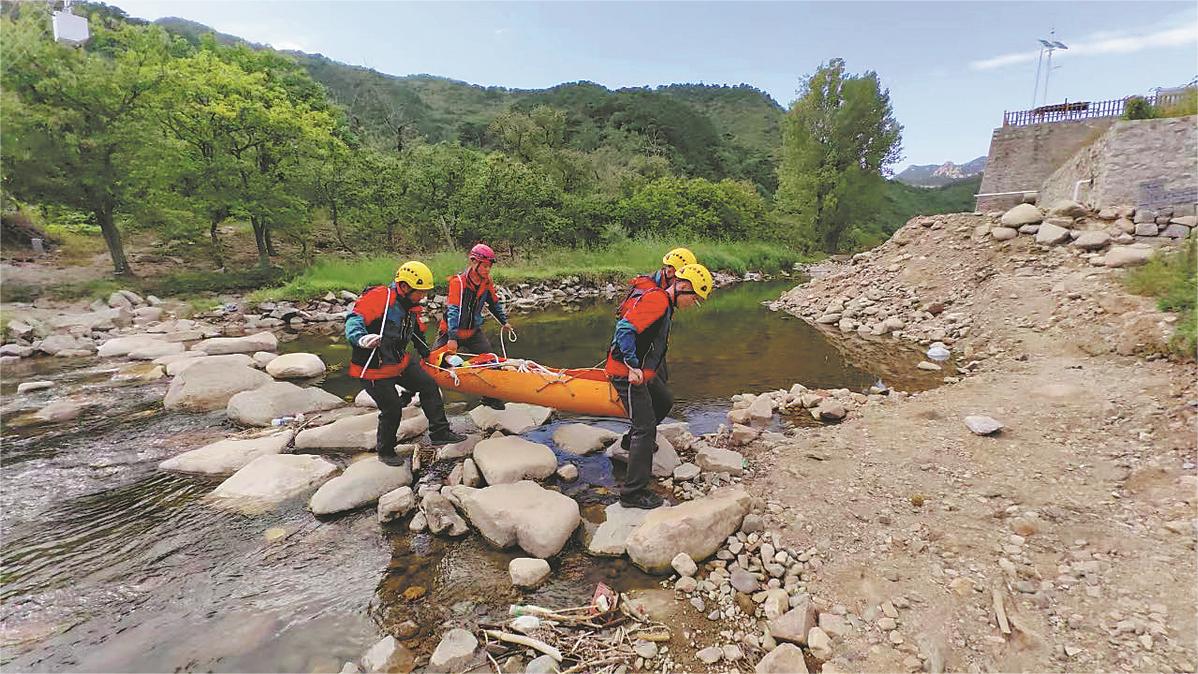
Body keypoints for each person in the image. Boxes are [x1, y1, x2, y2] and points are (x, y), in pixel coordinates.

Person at [606, 263, 713, 509]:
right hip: (627, 374)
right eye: (694, 298)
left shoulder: (665, 303)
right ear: (683, 287)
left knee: (664, 401)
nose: (693, 304)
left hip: (642, 373)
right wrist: (633, 366)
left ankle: (628, 443)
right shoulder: (657, 301)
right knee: (645, 429)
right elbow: (624, 330)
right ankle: (632, 493)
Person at [346, 260, 466, 466]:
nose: (424, 296)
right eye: (420, 292)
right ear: (404, 286)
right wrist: (360, 338)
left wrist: (430, 356)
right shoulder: (381, 297)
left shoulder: (411, 308)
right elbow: (354, 319)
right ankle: (385, 450)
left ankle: (440, 432)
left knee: (428, 386)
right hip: (373, 368)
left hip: (398, 363)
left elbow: (417, 336)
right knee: (392, 409)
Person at [613, 247, 698, 450]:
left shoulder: (661, 289)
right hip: (636, 357)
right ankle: (640, 436)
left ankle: (642, 433)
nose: (681, 280)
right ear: (670, 272)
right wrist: (633, 363)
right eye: (680, 275)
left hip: (651, 350)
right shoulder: (651, 292)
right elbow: (626, 329)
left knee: (662, 389)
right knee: (658, 398)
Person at [435, 243, 514, 410]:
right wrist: (452, 338)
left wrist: (504, 321)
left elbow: (493, 302)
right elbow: (453, 310)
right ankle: (415, 395)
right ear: (473, 262)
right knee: (432, 363)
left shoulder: (487, 281)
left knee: (491, 362)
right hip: (450, 332)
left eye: (489, 266)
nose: (487, 270)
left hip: (473, 332)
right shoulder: (458, 283)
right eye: (484, 266)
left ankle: (490, 398)